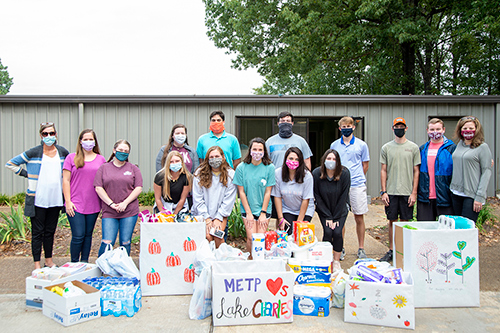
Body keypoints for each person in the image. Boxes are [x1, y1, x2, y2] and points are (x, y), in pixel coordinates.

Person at [5, 122, 69, 269]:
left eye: (51, 133)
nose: (49, 136)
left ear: (56, 134)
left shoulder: (62, 152)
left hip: (56, 199)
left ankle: (49, 261)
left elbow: (69, 168)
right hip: (37, 199)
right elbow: (10, 164)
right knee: (37, 232)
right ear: (41, 135)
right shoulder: (34, 152)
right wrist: (27, 174)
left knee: (50, 232)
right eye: (45, 134)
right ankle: (36, 264)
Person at [379, 117, 420, 262]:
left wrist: (414, 192)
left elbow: (416, 171)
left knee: (405, 221)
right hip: (391, 191)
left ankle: (404, 250)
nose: (399, 129)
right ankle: (392, 250)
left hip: (407, 192)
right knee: (392, 221)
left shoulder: (413, 148)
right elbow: (383, 170)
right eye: (397, 126)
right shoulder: (386, 148)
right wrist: (383, 191)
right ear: (392, 128)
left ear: (406, 128)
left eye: (402, 126)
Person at [62, 129, 106, 262]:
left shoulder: (101, 159)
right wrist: (68, 201)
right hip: (75, 204)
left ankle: (84, 262)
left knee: (88, 235)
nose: (88, 142)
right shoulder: (71, 158)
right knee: (78, 235)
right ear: (80, 142)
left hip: (93, 204)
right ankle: (74, 263)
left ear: (95, 142)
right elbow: (65, 180)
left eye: (90, 139)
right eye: (85, 139)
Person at [330, 116, 370, 259]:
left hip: (357, 185)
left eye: (349, 126)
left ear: (353, 127)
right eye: (343, 126)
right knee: (340, 218)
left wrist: (355, 176)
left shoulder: (361, 145)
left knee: (359, 216)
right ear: (340, 128)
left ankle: (361, 248)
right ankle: (341, 248)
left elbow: (365, 164)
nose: (346, 128)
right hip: (339, 186)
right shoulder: (334, 145)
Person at [94, 140, 143, 256]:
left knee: (125, 242)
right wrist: (111, 204)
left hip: (129, 211)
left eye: (126, 151)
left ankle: (123, 268)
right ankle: (103, 269)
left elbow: (138, 188)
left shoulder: (133, 169)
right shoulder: (104, 168)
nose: (123, 153)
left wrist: (124, 203)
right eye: (120, 150)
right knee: (107, 241)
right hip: (109, 211)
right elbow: (98, 188)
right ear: (114, 150)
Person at [266, 111, 313, 218]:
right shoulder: (270, 141)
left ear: (292, 123)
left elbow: (306, 160)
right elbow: (266, 162)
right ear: (278, 124)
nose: (285, 123)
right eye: (282, 121)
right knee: (279, 214)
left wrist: (305, 179)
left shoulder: (300, 141)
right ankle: (280, 232)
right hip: (277, 183)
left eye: (288, 121)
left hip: (295, 183)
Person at [233, 137, 276, 255]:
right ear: (250, 150)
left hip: (263, 208)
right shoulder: (242, 167)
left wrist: (263, 213)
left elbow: (268, 192)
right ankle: (250, 261)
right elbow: (241, 192)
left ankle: (260, 263)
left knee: (260, 239)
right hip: (247, 208)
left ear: (264, 152)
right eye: (254, 149)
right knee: (251, 238)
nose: (257, 152)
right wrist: (248, 213)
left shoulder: (270, 168)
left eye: (260, 149)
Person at [313, 149, 351, 272]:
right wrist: (328, 216)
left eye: (334, 159)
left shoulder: (345, 173)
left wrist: (335, 217)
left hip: (340, 209)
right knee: (328, 232)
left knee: (338, 232)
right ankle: (326, 260)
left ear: (338, 161)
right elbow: (317, 196)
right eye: (328, 159)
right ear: (324, 161)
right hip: (324, 209)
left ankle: (336, 261)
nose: (331, 161)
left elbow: (344, 196)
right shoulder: (316, 174)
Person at [192, 146, 237, 248]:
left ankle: (220, 261)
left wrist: (218, 218)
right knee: (208, 236)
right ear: (207, 159)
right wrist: (207, 219)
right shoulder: (199, 174)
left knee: (218, 236)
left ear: (223, 157)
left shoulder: (231, 175)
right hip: (202, 214)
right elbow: (198, 199)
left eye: (217, 156)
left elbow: (228, 200)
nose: (214, 159)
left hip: (221, 214)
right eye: (211, 157)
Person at [450, 116, 492, 222]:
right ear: (460, 130)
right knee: (457, 226)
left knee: (467, 228)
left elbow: (486, 172)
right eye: (464, 128)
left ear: (476, 129)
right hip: (456, 193)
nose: (468, 131)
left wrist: (480, 197)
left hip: (471, 195)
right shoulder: (459, 144)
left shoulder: (482, 147)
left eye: (471, 128)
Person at [417, 118, 456, 221]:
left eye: (438, 129)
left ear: (443, 130)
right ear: (427, 131)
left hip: (445, 197)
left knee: (445, 232)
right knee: (425, 231)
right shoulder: (422, 149)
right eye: (432, 129)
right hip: (425, 198)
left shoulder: (452, 149)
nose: (435, 132)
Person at [272, 147, 315, 235]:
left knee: (300, 233)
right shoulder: (278, 173)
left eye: (296, 159)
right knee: (288, 231)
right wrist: (280, 218)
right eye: (291, 158)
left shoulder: (307, 176)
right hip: (287, 208)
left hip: (305, 209)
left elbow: (306, 200)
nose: (293, 161)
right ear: (285, 159)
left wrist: (299, 223)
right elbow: (277, 197)